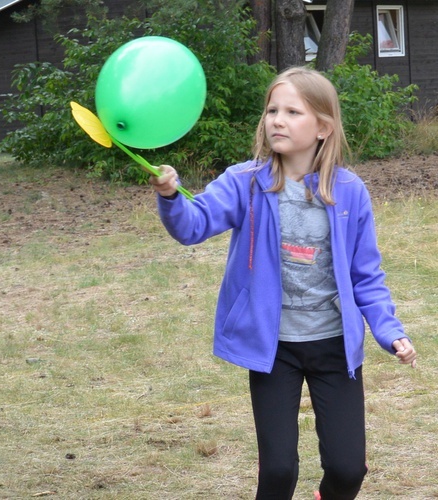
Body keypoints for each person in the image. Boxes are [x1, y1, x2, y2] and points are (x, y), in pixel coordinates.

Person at [149, 66, 417, 499]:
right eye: (272, 109)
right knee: (277, 471)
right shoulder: (245, 183)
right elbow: (192, 225)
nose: (277, 119)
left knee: (348, 471)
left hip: (334, 348)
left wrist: (390, 331)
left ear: (323, 127)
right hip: (273, 349)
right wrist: (170, 196)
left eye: (293, 111)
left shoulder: (349, 191)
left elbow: (366, 276)